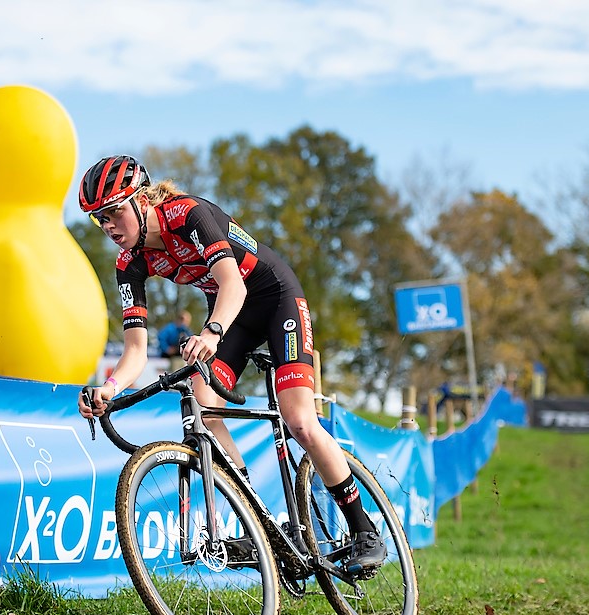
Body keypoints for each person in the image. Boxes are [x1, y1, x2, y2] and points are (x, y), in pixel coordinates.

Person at [76, 155, 385, 573]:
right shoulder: (129, 263)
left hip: (274, 300)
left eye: (113, 212)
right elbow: (134, 349)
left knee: (300, 421)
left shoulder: (188, 215)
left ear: (143, 200)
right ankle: (263, 524)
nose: (109, 227)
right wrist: (110, 389)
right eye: (100, 219)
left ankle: (363, 528)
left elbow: (233, 285)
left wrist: (211, 333)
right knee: (202, 408)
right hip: (231, 318)